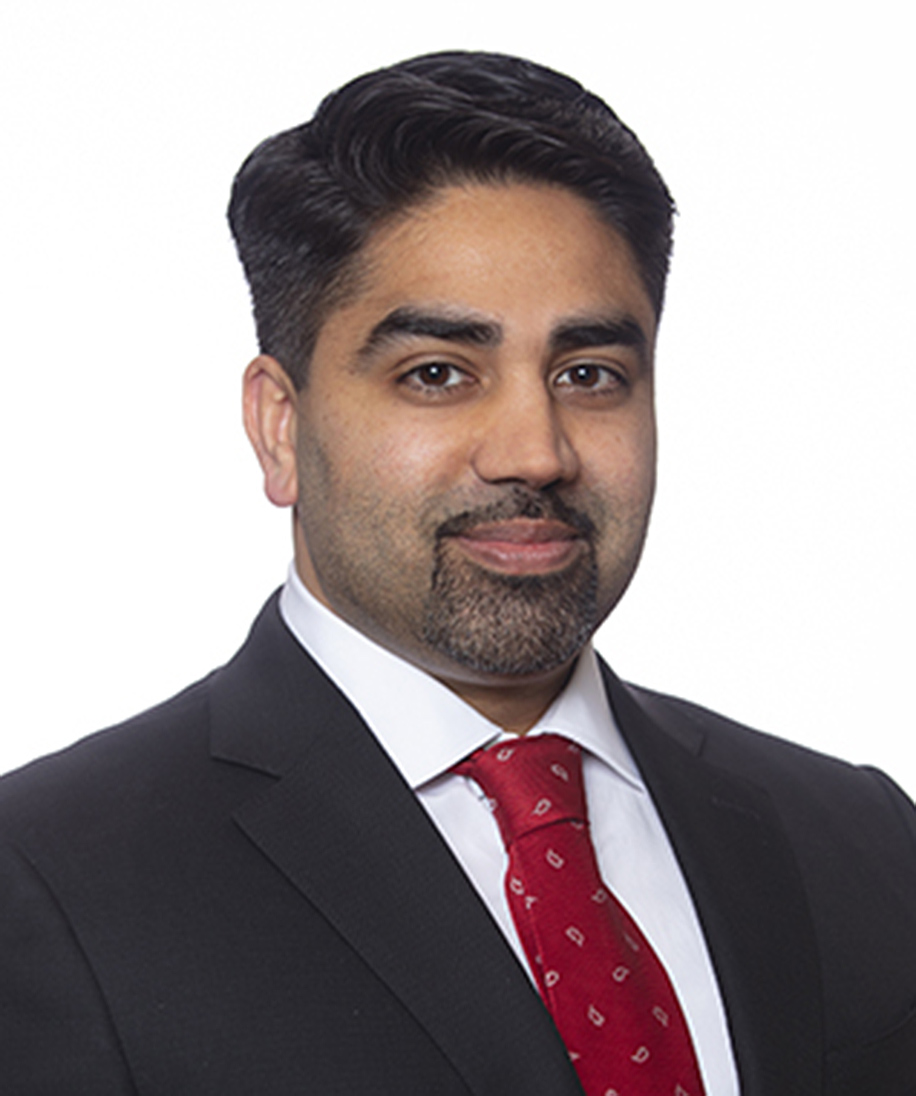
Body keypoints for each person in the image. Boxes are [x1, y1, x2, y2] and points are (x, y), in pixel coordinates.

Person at [1, 51, 913, 1096]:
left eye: (589, 374)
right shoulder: (47, 883)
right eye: (437, 374)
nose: (535, 450)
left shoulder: (860, 840)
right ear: (280, 427)